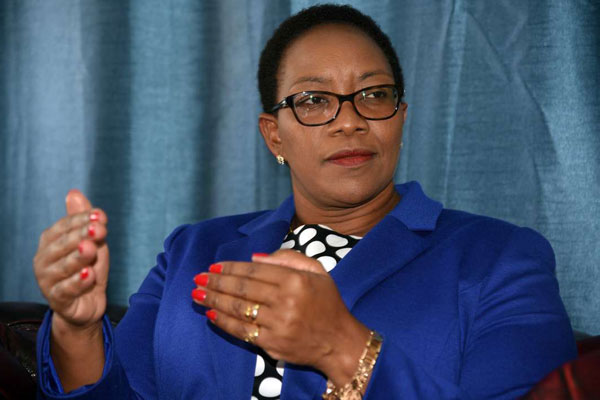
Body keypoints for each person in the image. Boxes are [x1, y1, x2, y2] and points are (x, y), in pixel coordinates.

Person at [33, 4, 576, 399]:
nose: (349, 119)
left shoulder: (501, 258)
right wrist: (77, 329)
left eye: (373, 94)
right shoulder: (192, 251)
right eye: (314, 100)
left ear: (400, 121)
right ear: (274, 136)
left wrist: (343, 348)